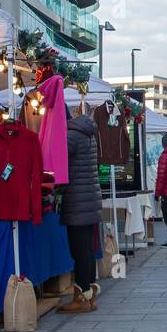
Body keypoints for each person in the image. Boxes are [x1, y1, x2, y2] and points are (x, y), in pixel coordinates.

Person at [57, 110, 104, 313]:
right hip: (90, 198)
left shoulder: (71, 136)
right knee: (87, 250)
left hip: (77, 200)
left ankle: (81, 295)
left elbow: (59, 163)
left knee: (79, 251)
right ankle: (90, 294)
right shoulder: (89, 135)